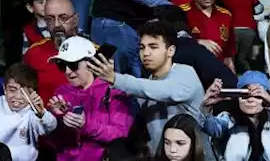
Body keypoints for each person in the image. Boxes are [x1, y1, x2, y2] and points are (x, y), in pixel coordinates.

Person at [85, 20, 204, 153]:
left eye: (153, 47)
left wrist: (115, 78)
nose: (146, 53)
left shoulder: (185, 73)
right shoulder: (146, 83)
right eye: (142, 47)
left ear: (170, 51)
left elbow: (164, 91)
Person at [45, 36, 134, 161]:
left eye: (73, 65)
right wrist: (56, 120)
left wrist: (86, 125)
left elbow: (121, 135)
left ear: (90, 63)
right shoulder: (61, 92)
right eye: (62, 65)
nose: (67, 71)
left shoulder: (114, 92)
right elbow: (54, 142)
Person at [216, 0, 264, 72]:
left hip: (232, 29)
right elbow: (259, 8)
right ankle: (249, 79)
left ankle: (231, 82)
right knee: (244, 59)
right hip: (249, 29)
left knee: (229, 59)